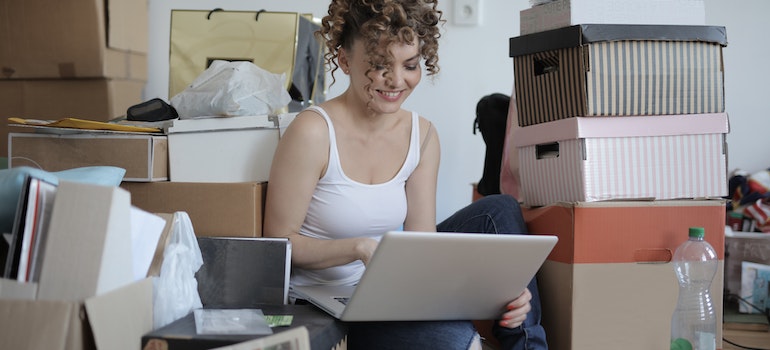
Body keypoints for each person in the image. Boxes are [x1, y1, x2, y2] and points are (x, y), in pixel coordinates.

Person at [263, 0, 548, 349]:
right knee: (456, 341)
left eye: (410, 65)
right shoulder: (313, 131)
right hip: (326, 301)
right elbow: (279, 242)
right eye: (380, 65)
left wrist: (499, 290)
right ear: (345, 61)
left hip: (390, 289)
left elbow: (421, 249)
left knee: (500, 210)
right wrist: (358, 248)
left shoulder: (422, 134)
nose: (397, 80)